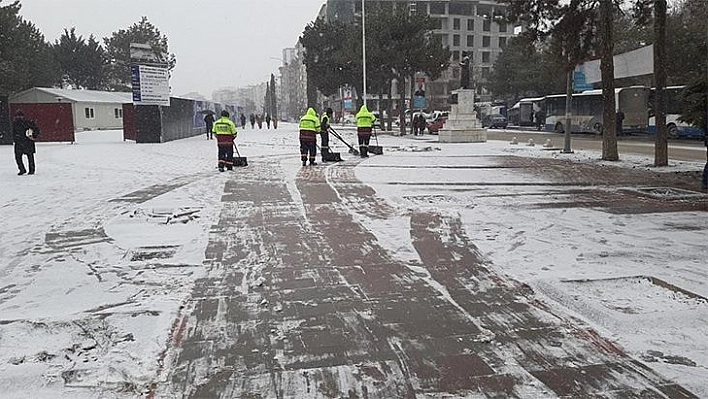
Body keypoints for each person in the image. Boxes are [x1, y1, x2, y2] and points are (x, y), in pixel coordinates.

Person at [12, 110, 40, 175]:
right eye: (17, 116)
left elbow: (36, 130)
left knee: (29, 157)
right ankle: (22, 169)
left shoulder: (28, 123)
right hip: (20, 142)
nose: (18, 117)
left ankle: (31, 170)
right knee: (19, 157)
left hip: (27, 142)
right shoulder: (15, 124)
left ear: (23, 116)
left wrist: (33, 135)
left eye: (20, 116)